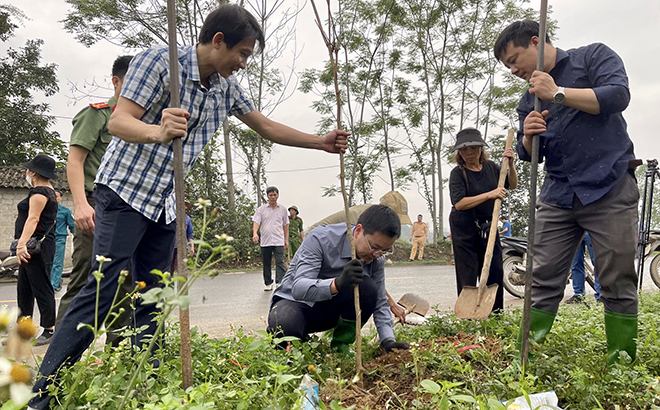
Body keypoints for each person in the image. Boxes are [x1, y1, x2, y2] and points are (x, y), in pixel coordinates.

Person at [28, 5, 348, 409]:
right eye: (243, 53)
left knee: (155, 294)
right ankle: (43, 395)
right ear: (218, 41)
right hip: (125, 192)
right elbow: (119, 122)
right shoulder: (159, 63)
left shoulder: (226, 89)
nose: (243, 63)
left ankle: (146, 383)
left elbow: (265, 126)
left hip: (165, 202)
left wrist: (320, 141)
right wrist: (158, 131)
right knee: (103, 292)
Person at [494, 20, 639, 365]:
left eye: (515, 59)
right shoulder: (526, 99)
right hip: (558, 195)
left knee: (616, 279)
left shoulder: (592, 58)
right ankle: (525, 356)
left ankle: (621, 363)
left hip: (610, 188)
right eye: (508, 66)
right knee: (541, 277)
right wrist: (528, 135)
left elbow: (618, 96)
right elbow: (532, 155)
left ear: (535, 41)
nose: (514, 70)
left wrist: (557, 93)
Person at [56, 56, 134, 330]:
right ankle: (61, 361)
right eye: (132, 81)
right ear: (116, 82)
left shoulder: (143, 121)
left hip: (129, 210)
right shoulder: (98, 114)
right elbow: (75, 161)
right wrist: (80, 205)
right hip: (94, 206)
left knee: (126, 282)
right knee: (87, 277)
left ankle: (120, 356)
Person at [267, 205, 409, 354]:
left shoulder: (376, 258)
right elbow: (298, 288)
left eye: (385, 251)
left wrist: (388, 340)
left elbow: (380, 301)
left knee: (368, 287)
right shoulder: (320, 239)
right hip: (295, 303)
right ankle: (298, 345)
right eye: (374, 247)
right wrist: (337, 283)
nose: (377, 255)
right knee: (285, 328)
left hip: (327, 311)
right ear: (358, 231)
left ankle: (340, 345)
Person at [305, 191, 413, 323]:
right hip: (320, 244)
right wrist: (391, 304)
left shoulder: (374, 228)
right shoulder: (368, 224)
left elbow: (376, 281)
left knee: (363, 285)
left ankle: (341, 331)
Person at [448, 128, 517, 314]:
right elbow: (460, 203)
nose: (469, 153)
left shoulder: (492, 167)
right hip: (464, 227)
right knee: (467, 273)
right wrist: (490, 194)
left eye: (473, 148)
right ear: (459, 153)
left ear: (480, 149)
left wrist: (510, 164)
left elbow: (512, 184)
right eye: (464, 150)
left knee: (495, 269)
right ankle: (468, 316)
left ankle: (495, 313)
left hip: (489, 224)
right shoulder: (458, 173)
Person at [14, 155, 59, 346]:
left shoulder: (40, 192)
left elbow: (33, 219)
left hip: (36, 247)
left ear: (33, 172)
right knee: (24, 287)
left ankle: (48, 329)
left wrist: (20, 245)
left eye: (28, 169)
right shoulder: (47, 191)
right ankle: (23, 330)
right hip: (35, 246)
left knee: (41, 286)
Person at [253, 186, 289, 291]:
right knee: (266, 262)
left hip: (278, 240)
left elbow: (286, 225)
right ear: (268, 196)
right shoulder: (261, 210)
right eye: (271, 195)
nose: (273, 197)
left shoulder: (282, 209)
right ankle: (268, 283)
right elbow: (256, 222)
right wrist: (255, 233)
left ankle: (279, 281)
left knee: (280, 262)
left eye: (275, 195)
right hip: (266, 240)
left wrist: (286, 239)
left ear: (278, 195)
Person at [566, 232, 601, 304]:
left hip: (591, 229)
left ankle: (600, 296)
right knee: (575, 263)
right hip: (575, 230)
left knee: (597, 262)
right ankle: (578, 295)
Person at [50, 190, 75, 292]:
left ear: (61, 198)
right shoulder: (46, 210)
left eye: (56, 196)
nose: (55, 198)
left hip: (60, 238)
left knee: (57, 262)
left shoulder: (65, 211)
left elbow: (72, 226)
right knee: (48, 261)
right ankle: (52, 281)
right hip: (47, 238)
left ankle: (54, 285)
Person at [171, 200, 195, 273]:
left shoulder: (187, 219)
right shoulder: (171, 216)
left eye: (184, 205)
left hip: (182, 246)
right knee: (169, 269)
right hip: (170, 246)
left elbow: (189, 234)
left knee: (182, 268)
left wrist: (192, 247)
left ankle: (182, 284)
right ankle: (169, 284)